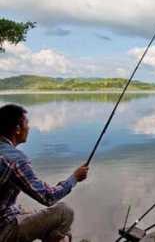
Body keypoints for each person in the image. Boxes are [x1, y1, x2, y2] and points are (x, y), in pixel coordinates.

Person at [0, 104, 89, 242]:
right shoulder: (15, 160)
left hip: (6, 214)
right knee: (65, 212)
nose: (29, 128)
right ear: (17, 129)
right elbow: (48, 197)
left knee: (49, 225)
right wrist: (74, 178)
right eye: (26, 123)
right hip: (3, 229)